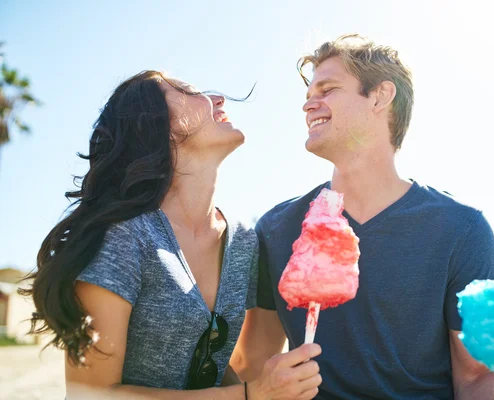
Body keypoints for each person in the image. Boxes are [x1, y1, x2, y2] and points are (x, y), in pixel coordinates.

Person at [231, 35, 494, 399]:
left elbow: (477, 377)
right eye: (309, 94)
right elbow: (251, 363)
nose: (309, 105)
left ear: (380, 96)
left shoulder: (462, 231)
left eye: (327, 89)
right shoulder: (277, 229)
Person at [21, 70, 321, 400]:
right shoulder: (123, 238)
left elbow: (209, 369)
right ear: (157, 126)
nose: (217, 99)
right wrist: (250, 395)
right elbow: (89, 395)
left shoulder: (243, 242)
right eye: (188, 92)